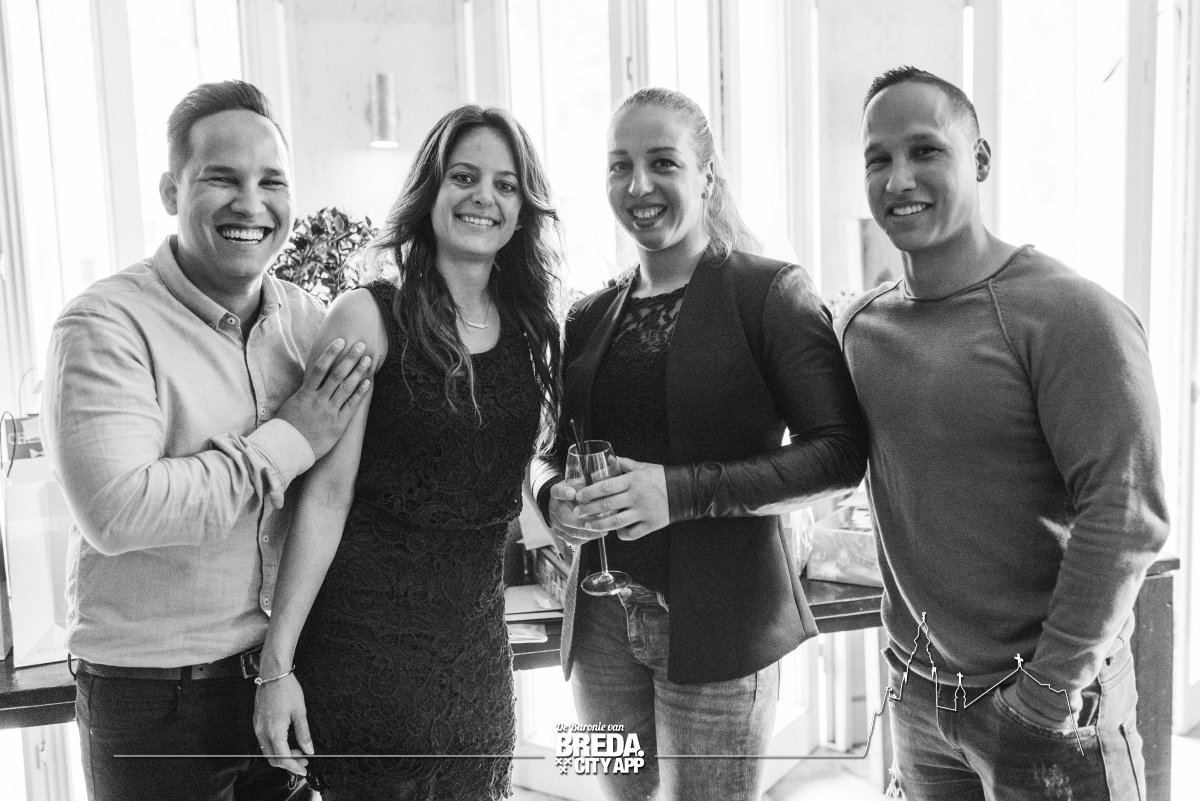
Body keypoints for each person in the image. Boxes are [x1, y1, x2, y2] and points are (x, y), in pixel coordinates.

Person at [838, 66, 1169, 800]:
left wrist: (1048, 693)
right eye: (877, 159)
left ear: (980, 159)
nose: (898, 178)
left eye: (926, 150)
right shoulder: (861, 328)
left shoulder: (1071, 314)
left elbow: (1127, 513)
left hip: (1048, 702)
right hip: (920, 698)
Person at [531, 87, 867, 801]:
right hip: (598, 632)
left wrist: (677, 491)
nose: (638, 185)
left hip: (724, 629)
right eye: (620, 166)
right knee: (617, 795)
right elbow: (550, 449)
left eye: (663, 162)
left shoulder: (771, 293)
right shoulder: (587, 314)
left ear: (707, 176)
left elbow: (840, 454)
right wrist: (550, 493)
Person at [41, 80, 373, 801]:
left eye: (271, 182)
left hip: (280, 678)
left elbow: (338, 494)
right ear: (171, 190)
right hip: (152, 698)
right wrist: (292, 436)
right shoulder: (103, 325)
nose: (251, 204)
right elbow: (119, 512)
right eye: (222, 178)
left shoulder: (308, 323)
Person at [252, 105, 562, 800]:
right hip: (366, 657)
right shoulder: (367, 315)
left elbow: (501, 475)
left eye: (506, 185)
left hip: (477, 661)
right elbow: (324, 498)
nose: (484, 197)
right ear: (431, 191)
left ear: (523, 210)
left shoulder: (530, 328)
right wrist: (278, 665)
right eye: (464, 176)